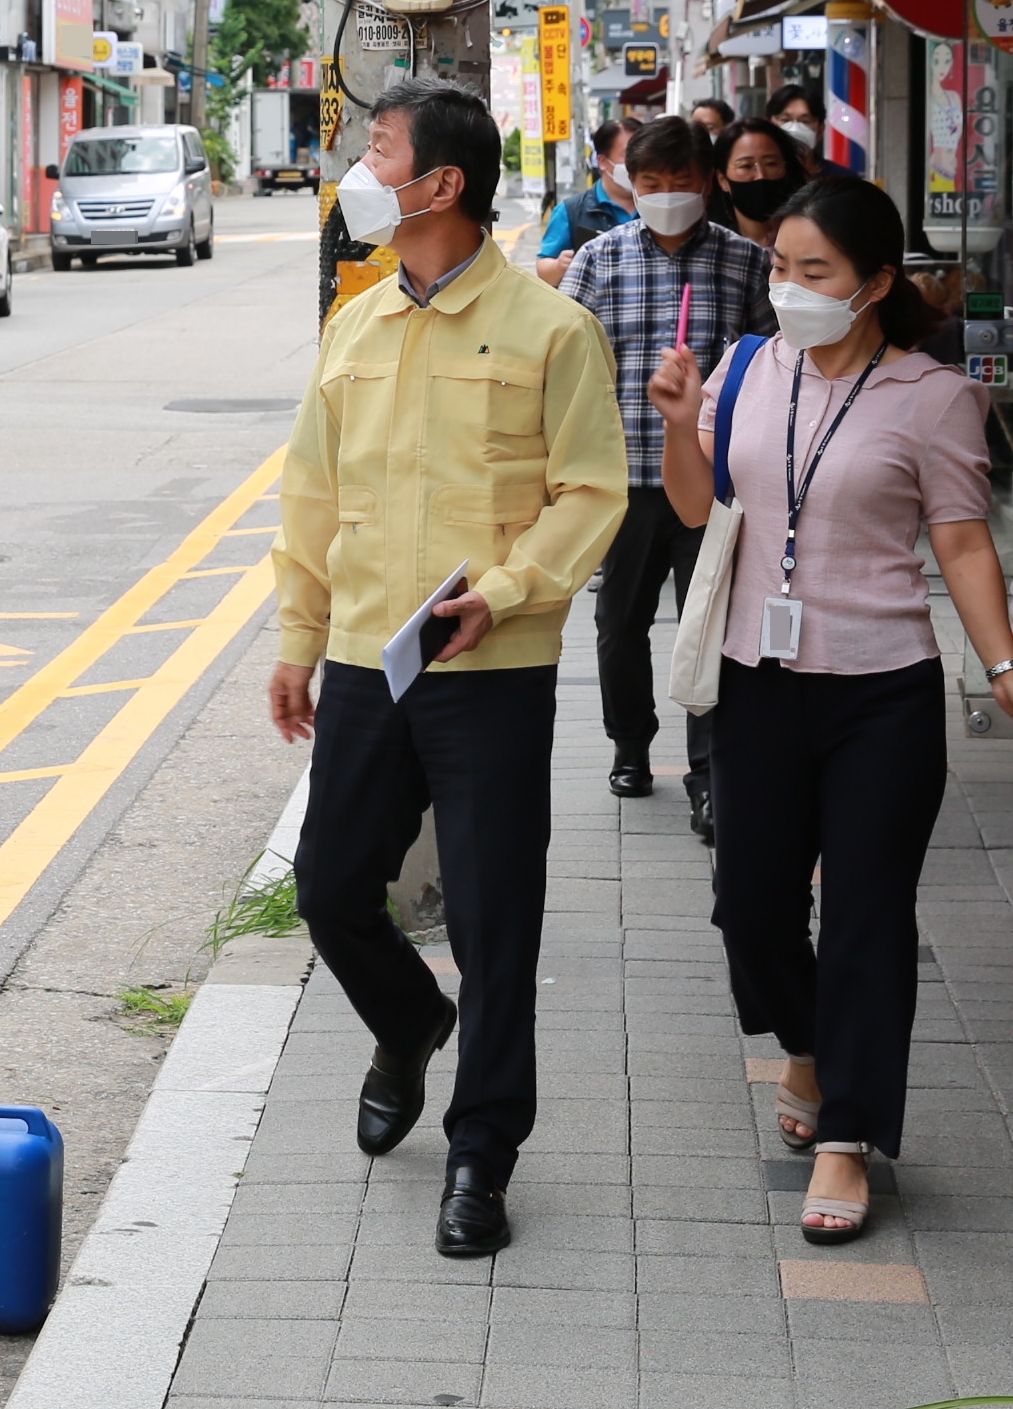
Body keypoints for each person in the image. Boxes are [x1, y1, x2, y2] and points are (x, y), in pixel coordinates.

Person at [645, 175, 1013, 1246]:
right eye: (779, 268)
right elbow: (702, 513)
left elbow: (961, 539)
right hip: (752, 678)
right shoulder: (743, 366)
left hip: (879, 689)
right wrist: (677, 426)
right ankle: (807, 1040)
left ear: (875, 282)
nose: (788, 288)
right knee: (747, 905)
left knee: (869, 916)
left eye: (813, 272)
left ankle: (846, 1135)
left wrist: (1003, 664)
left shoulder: (931, 396)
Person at [271, 78, 628, 1259]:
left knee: (494, 921)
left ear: (441, 186)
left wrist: (509, 591)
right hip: (372, 661)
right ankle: (409, 1017)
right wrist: (295, 638)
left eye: (376, 152)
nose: (356, 171)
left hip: (492, 667)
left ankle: (481, 1153)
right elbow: (310, 495)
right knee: (328, 889)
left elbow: (591, 492)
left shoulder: (547, 328)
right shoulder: (355, 322)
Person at [561, 117, 775, 843]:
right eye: (651, 184)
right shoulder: (601, 259)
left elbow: (773, 368)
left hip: (715, 482)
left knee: (707, 624)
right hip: (621, 483)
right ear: (631, 184)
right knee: (618, 625)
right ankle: (629, 746)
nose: (666, 195)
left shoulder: (746, 264)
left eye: (681, 182)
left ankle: (708, 775)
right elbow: (567, 370)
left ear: (708, 181)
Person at [536, 117, 639, 283]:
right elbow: (543, 268)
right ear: (603, 161)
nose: (638, 161)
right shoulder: (571, 211)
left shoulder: (658, 204)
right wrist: (558, 266)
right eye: (629, 154)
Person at [715, 115, 812, 252]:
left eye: (771, 164)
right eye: (746, 166)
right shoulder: (715, 248)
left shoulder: (810, 236)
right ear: (723, 180)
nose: (760, 176)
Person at [766, 83, 854, 178]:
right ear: (769, 126)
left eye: (805, 121)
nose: (795, 129)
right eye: (785, 120)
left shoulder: (841, 180)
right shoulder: (761, 176)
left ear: (820, 130)